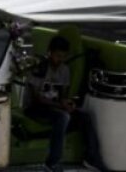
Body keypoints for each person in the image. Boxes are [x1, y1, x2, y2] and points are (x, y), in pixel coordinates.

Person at [26, 36, 107, 172]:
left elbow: (62, 96)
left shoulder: (64, 70)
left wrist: (68, 103)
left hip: (55, 107)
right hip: (36, 108)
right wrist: (61, 106)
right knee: (63, 117)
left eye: (63, 56)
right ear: (49, 52)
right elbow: (37, 99)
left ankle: (91, 158)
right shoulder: (39, 68)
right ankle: (52, 163)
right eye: (58, 56)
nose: (60, 60)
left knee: (84, 116)